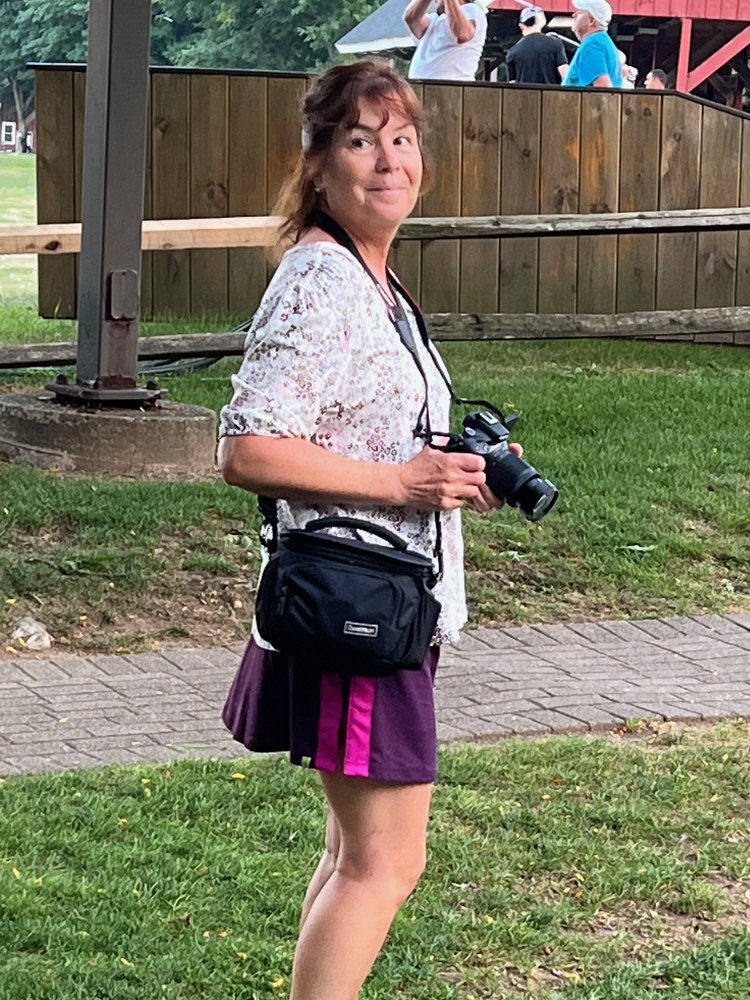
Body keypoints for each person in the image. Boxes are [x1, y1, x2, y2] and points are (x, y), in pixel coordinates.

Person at [218, 60, 523, 1000]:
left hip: (387, 604)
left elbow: (360, 427)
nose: (390, 161)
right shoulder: (323, 280)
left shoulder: (374, 279)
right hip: (355, 608)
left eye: (402, 139)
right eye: (361, 141)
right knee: (384, 863)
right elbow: (247, 448)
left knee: (355, 856)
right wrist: (399, 482)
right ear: (319, 166)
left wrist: (450, 470)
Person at [405, 0, 488, 82]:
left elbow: (462, 34)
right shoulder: (434, 19)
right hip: (419, 84)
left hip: (453, 84)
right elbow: (411, 19)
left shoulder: (473, 10)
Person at [563, 0, 622, 88]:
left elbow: (603, 88)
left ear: (591, 20)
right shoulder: (602, 41)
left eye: (579, 12)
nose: (574, 15)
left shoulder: (592, 45)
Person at [506, 6, 569, 85]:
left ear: (521, 26)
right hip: (551, 92)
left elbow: (512, 84)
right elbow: (565, 75)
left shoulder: (512, 52)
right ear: (542, 22)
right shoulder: (555, 44)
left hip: (524, 93)